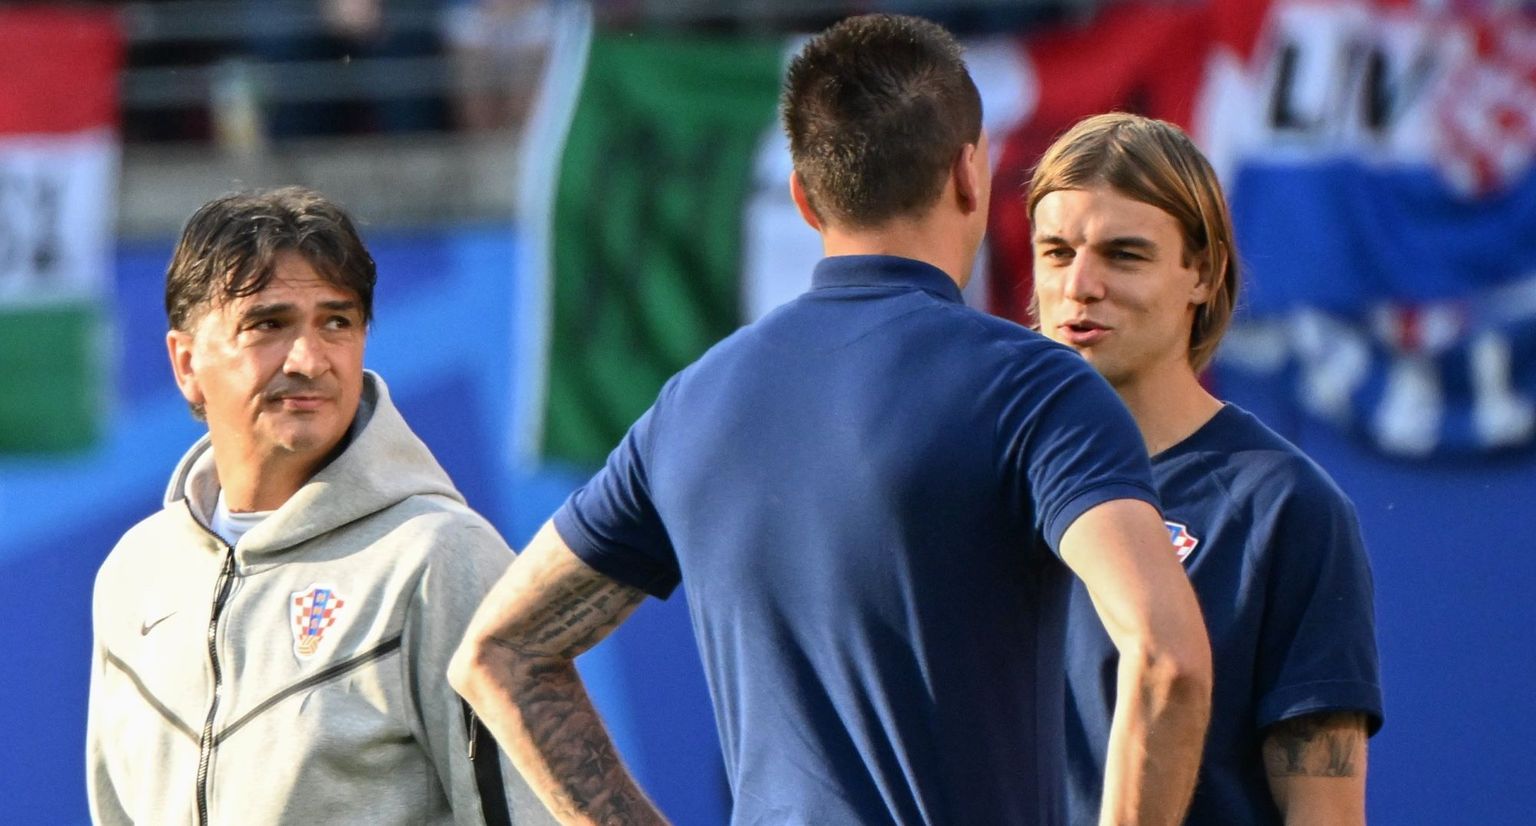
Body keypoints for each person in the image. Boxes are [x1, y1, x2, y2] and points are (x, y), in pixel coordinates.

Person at [450, 15, 1212, 825]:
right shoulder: (1037, 389)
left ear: (804, 198)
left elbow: (499, 653)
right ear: (970, 174)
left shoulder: (693, 404)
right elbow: (1167, 659)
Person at [85, 186, 552, 826]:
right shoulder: (134, 574)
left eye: (337, 322)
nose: (309, 361)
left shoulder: (442, 559)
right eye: (268, 325)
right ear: (187, 363)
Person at [1026, 112, 1384, 825]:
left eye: (1124, 255)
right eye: (1057, 252)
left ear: (1204, 273)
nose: (1081, 285)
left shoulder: (1283, 507)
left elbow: (1324, 809)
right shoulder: (987, 484)